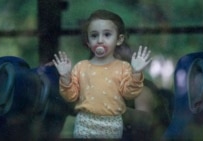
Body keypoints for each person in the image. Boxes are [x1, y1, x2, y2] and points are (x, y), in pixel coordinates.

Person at [52, 9, 151, 139]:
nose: (100, 40)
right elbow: (71, 96)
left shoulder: (123, 67)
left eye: (107, 35)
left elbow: (129, 93)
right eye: (94, 35)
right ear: (88, 42)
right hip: (84, 122)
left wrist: (136, 73)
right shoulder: (81, 67)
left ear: (119, 40)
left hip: (112, 124)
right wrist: (65, 77)